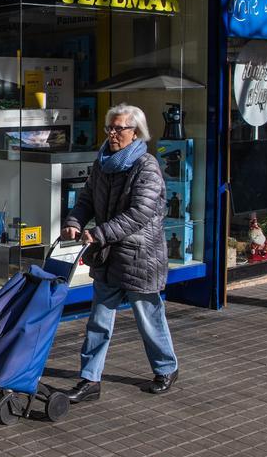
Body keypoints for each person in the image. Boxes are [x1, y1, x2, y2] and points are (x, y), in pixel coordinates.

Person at [60, 103, 179, 402]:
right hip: (108, 254)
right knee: (99, 319)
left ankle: (166, 368)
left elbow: (140, 213)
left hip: (140, 255)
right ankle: (89, 380)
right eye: (109, 128)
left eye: (119, 129)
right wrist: (74, 221)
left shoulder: (147, 166)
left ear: (135, 132)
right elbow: (87, 197)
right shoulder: (103, 162)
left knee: (148, 316)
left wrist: (99, 233)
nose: (112, 134)